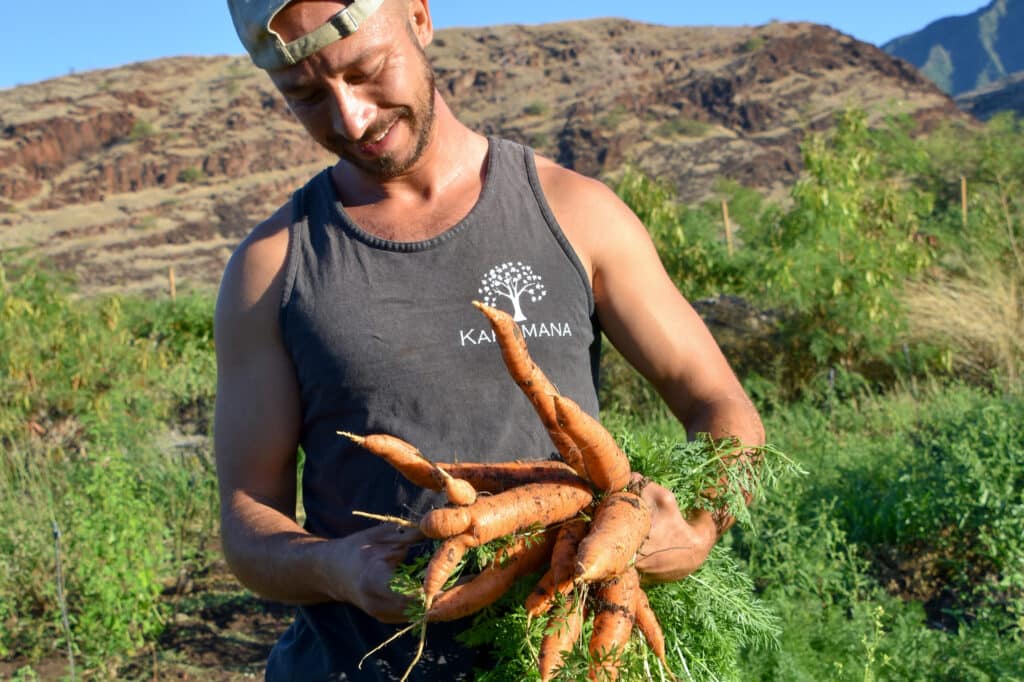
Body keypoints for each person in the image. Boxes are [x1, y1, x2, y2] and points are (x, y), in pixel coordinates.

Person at [214, 0, 766, 679]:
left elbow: (721, 406)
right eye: (305, 97)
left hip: (550, 657)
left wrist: (699, 530)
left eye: (366, 70)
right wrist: (337, 567)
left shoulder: (575, 213)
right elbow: (246, 521)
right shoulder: (272, 266)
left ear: (418, 17)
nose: (351, 118)